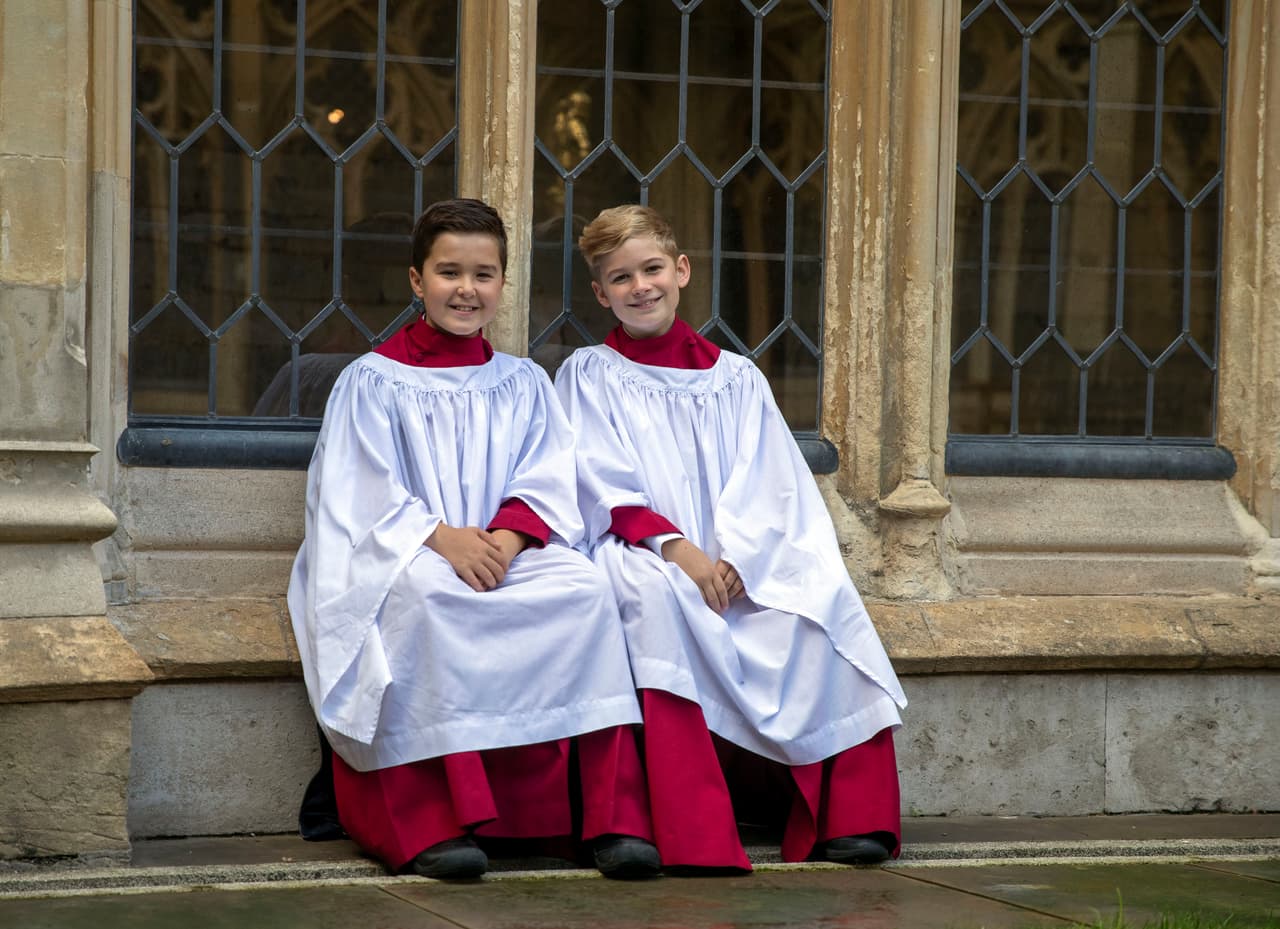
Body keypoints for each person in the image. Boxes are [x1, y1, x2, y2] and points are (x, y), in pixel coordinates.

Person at [288, 198, 659, 880]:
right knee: (430, 601)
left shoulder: (522, 381)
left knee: (583, 589)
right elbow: (354, 491)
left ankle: (609, 818)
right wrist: (443, 539)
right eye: (449, 271)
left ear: (502, 283)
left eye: (484, 274)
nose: (467, 288)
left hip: (503, 548)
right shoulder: (370, 381)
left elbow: (549, 473)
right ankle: (432, 822)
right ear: (416, 280)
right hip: (405, 553)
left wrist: (509, 540)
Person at [554, 204, 908, 872]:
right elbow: (595, 477)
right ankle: (652, 822)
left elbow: (772, 482)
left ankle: (851, 814)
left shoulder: (737, 377)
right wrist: (679, 551)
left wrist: (740, 559)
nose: (641, 287)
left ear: (681, 270)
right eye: (621, 278)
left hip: (738, 559)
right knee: (651, 599)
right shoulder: (588, 374)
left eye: (652, 268)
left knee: (817, 604)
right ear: (602, 293)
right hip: (644, 550)